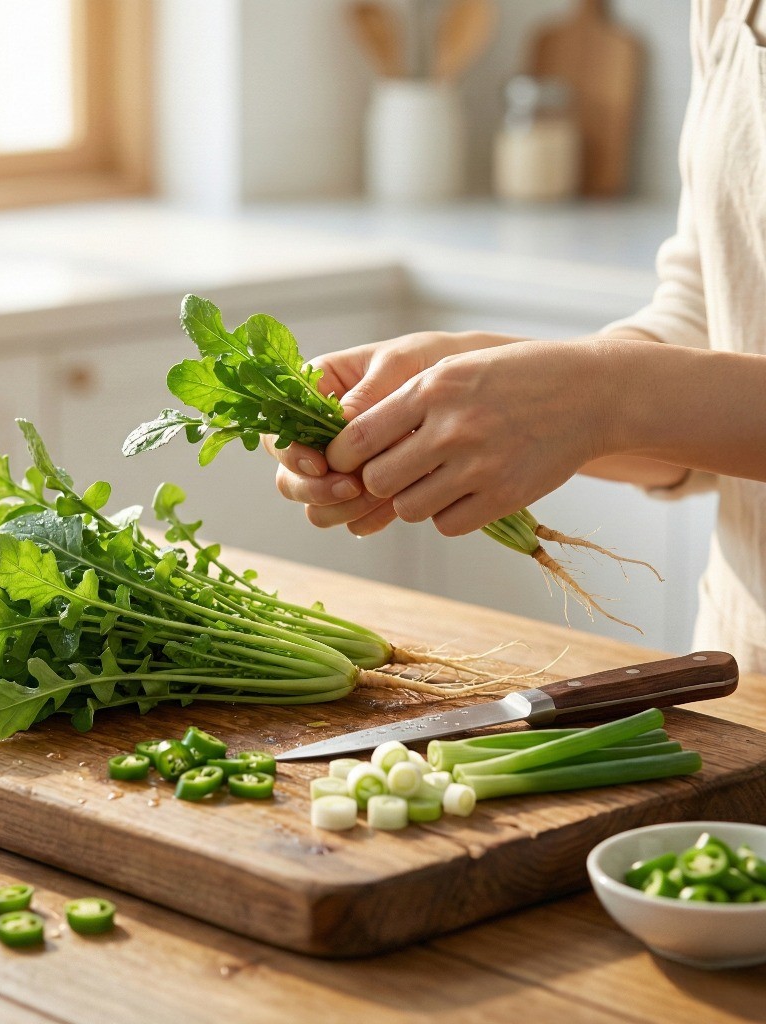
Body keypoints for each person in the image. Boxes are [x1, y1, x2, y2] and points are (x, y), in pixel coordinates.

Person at [266, 0, 766, 673]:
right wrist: (494, 373)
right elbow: (711, 313)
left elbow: (645, 392)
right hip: (745, 659)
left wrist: (601, 396)